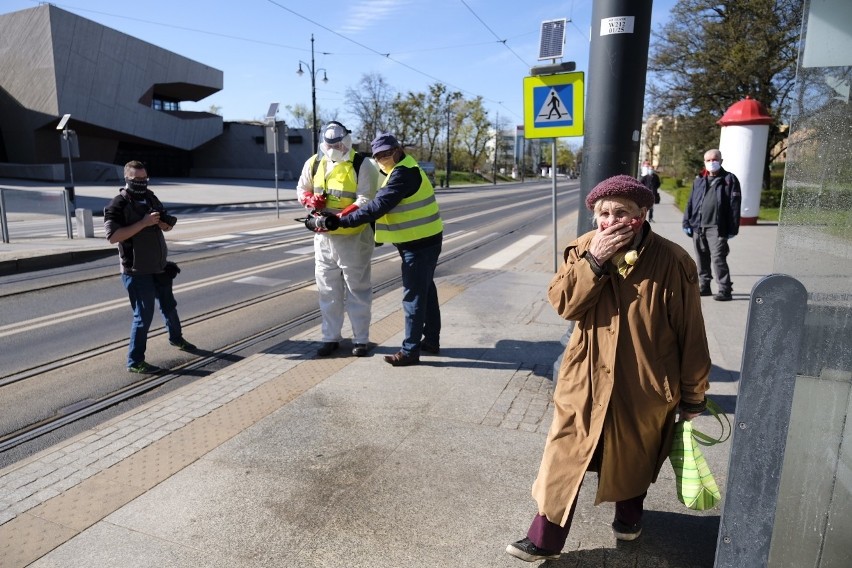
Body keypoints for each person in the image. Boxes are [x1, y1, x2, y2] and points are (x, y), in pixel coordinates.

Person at [506, 174, 711, 562]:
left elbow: (692, 333)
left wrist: (693, 394)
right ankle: (544, 537)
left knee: (635, 454)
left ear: (642, 215)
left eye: (622, 213)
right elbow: (564, 303)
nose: (611, 221)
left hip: (646, 382)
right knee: (564, 454)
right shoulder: (582, 249)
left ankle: (629, 518)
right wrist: (594, 262)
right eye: (603, 213)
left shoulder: (674, 260)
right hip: (584, 376)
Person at [303, 133, 443, 367]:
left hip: (419, 243)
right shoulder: (397, 168)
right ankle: (431, 340)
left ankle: (410, 351)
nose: (382, 158)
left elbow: (377, 207)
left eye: (387, 153)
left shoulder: (403, 174)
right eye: (378, 155)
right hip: (421, 239)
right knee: (426, 291)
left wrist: (339, 221)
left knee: (414, 297)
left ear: (398, 150)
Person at [297, 121, 381, 357]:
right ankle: (330, 337)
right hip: (323, 239)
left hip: (354, 238)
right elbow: (301, 188)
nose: (335, 148)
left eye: (338, 144)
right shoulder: (315, 163)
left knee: (357, 289)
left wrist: (341, 217)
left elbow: (366, 199)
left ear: (346, 141)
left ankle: (361, 339)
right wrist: (310, 201)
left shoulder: (363, 165)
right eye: (330, 144)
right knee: (327, 290)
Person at [104, 161, 195, 374]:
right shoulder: (117, 204)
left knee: (169, 307)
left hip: (159, 266)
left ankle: (176, 339)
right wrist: (143, 222)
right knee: (143, 316)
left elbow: (166, 227)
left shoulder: (151, 197)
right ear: (126, 178)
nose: (141, 183)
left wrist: (164, 224)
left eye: (145, 179)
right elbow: (112, 237)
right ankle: (135, 361)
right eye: (137, 180)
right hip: (136, 270)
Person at [682, 148, 741, 301]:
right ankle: (705, 286)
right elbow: (690, 202)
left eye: (714, 159)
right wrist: (686, 222)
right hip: (698, 226)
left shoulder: (729, 179)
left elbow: (735, 205)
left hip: (717, 227)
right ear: (704, 162)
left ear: (721, 161)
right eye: (708, 160)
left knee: (718, 258)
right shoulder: (699, 179)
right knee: (701, 258)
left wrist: (732, 228)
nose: (711, 163)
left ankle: (725, 289)